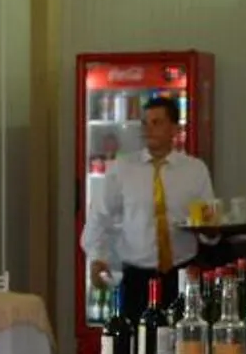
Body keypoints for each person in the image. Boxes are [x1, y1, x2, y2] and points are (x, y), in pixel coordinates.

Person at [83, 95, 216, 314]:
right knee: (136, 342)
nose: (149, 129)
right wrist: (97, 257)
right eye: (145, 123)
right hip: (136, 275)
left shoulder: (194, 170)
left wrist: (211, 232)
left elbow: (208, 220)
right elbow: (99, 216)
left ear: (175, 129)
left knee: (182, 341)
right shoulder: (122, 169)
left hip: (181, 274)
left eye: (157, 123)